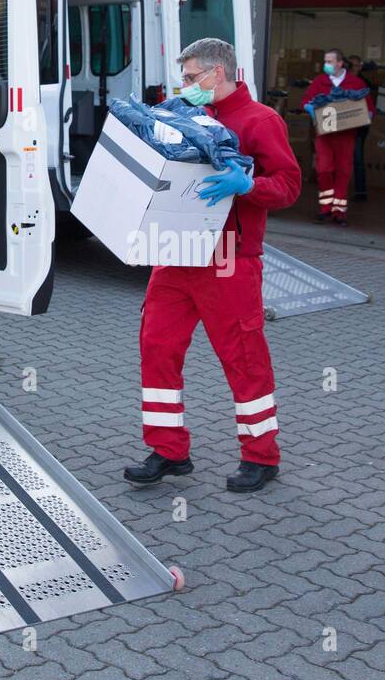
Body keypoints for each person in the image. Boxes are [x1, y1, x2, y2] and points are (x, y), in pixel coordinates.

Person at [123, 38, 301, 494]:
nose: (184, 86)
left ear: (216, 74)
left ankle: (261, 457)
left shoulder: (261, 121)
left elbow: (287, 186)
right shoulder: (182, 115)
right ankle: (168, 450)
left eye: (190, 78)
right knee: (157, 346)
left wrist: (248, 185)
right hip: (176, 250)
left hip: (228, 258)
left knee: (243, 357)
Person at [301, 48, 375, 226]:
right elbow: (305, 101)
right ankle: (325, 207)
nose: (326, 65)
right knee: (324, 170)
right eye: (325, 62)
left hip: (346, 135)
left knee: (343, 172)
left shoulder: (355, 83)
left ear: (340, 63)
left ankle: (339, 211)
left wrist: (365, 117)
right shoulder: (320, 82)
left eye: (329, 61)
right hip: (324, 135)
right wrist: (311, 109)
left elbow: (369, 108)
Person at [347, 54, 378, 202]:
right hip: (340, 128)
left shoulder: (363, 83)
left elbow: (370, 108)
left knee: (357, 158)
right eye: (352, 65)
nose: (355, 68)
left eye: (357, 65)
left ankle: (360, 192)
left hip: (357, 128)